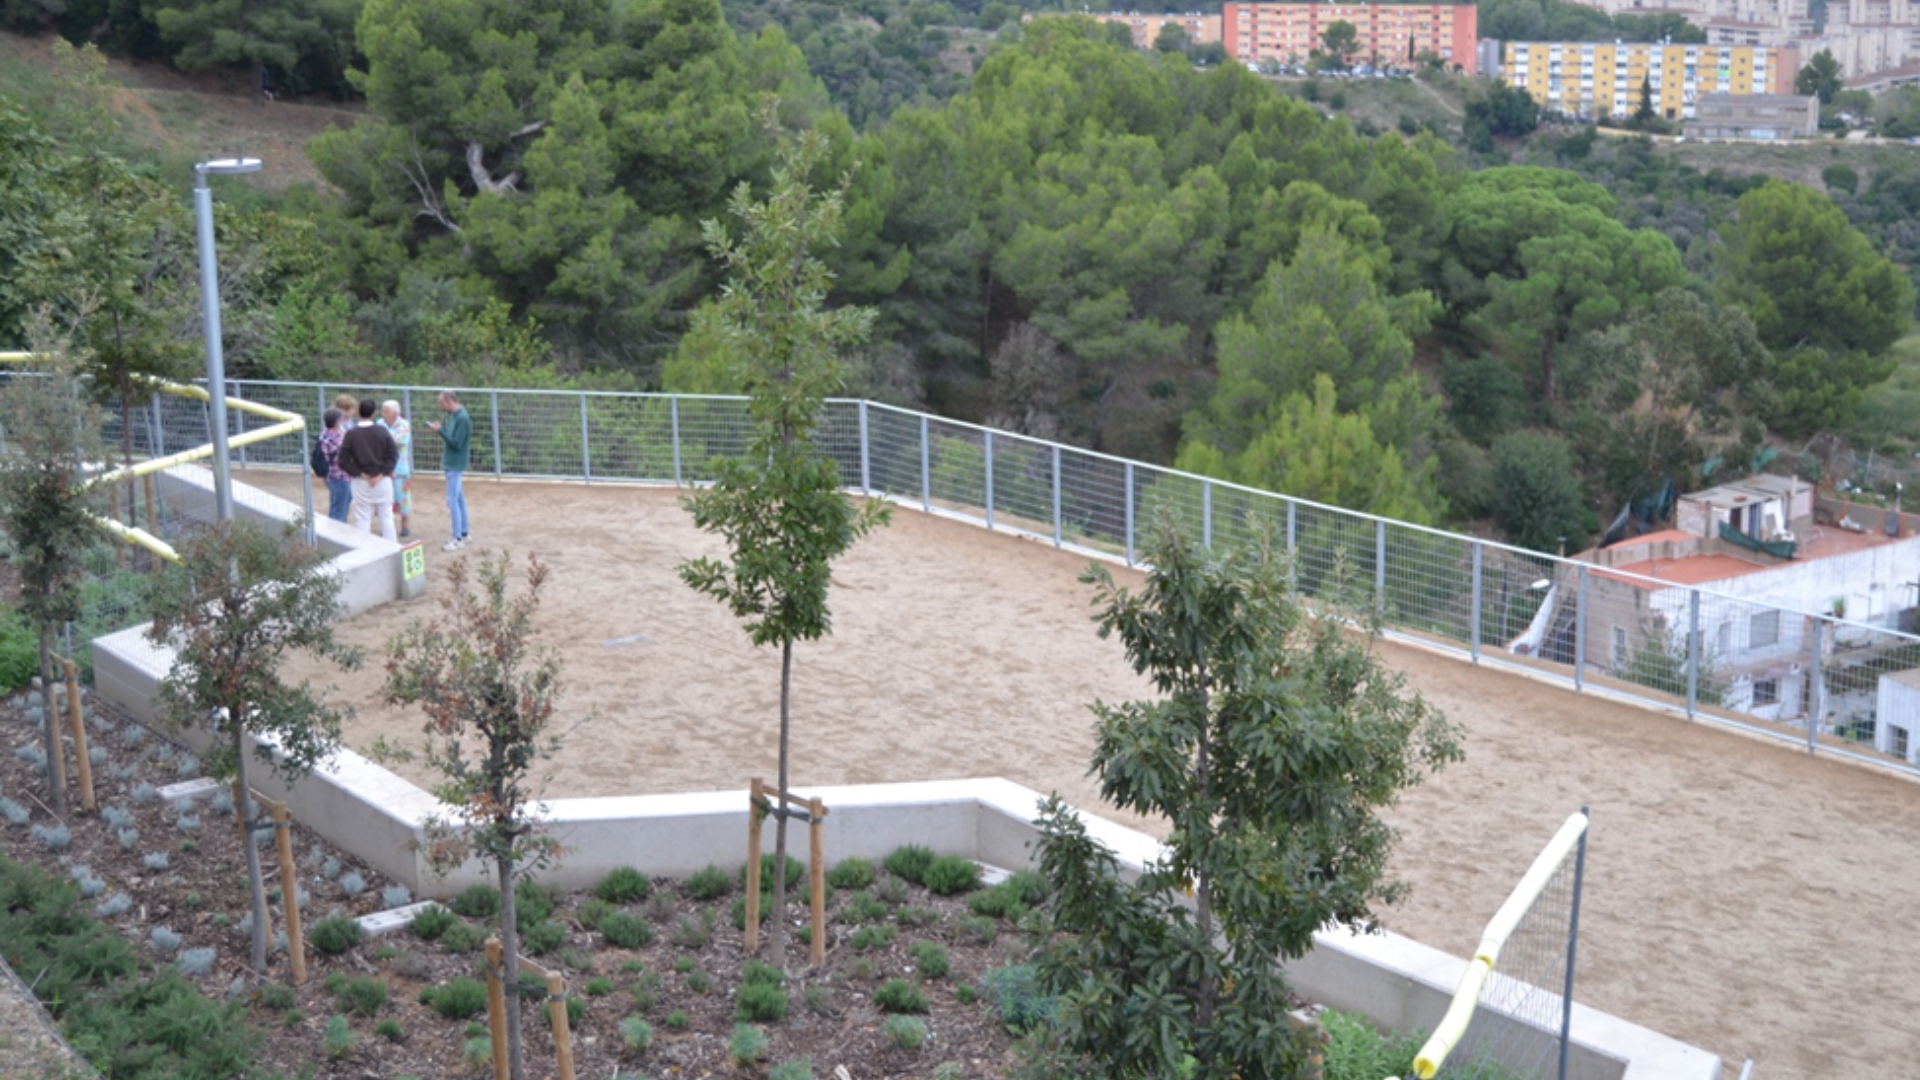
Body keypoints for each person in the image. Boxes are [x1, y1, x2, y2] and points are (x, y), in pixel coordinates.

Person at [339, 398, 399, 542]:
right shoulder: (382, 431)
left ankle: (364, 554)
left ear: (359, 412)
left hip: (361, 481)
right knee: (386, 517)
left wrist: (359, 473)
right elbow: (393, 455)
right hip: (382, 480)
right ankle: (392, 552)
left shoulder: (352, 434)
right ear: (374, 413)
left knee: (362, 518)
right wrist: (382, 473)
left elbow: (343, 460)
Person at [427, 390, 471, 551]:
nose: (441, 406)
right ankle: (464, 533)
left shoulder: (462, 418)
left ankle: (457, 537)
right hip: (452, 463)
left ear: (449, 401)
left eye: (441, 403)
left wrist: (440, 432)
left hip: (455, 463)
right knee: (458, 499)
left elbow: (457, 444)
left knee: (452, 500)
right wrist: (441, 430)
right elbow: (451, 437)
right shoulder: (453, 416)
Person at [380, 399, 414, 539]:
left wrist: (385, 440)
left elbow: (402, 441)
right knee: (386, 498)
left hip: (400, 468)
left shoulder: (404, 424)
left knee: (403, 497)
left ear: (395, 412)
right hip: (385, 467)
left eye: (386, 411)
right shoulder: (380, 424)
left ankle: (405, 525)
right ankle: (389, 527)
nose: (383, 413)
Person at [319, 408, 350, 523]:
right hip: (338, 476)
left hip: (332, 476)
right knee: (339, 510)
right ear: (337, 422)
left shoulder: (326, 433)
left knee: (338, 503)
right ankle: (337, 535)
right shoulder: (335, 439)